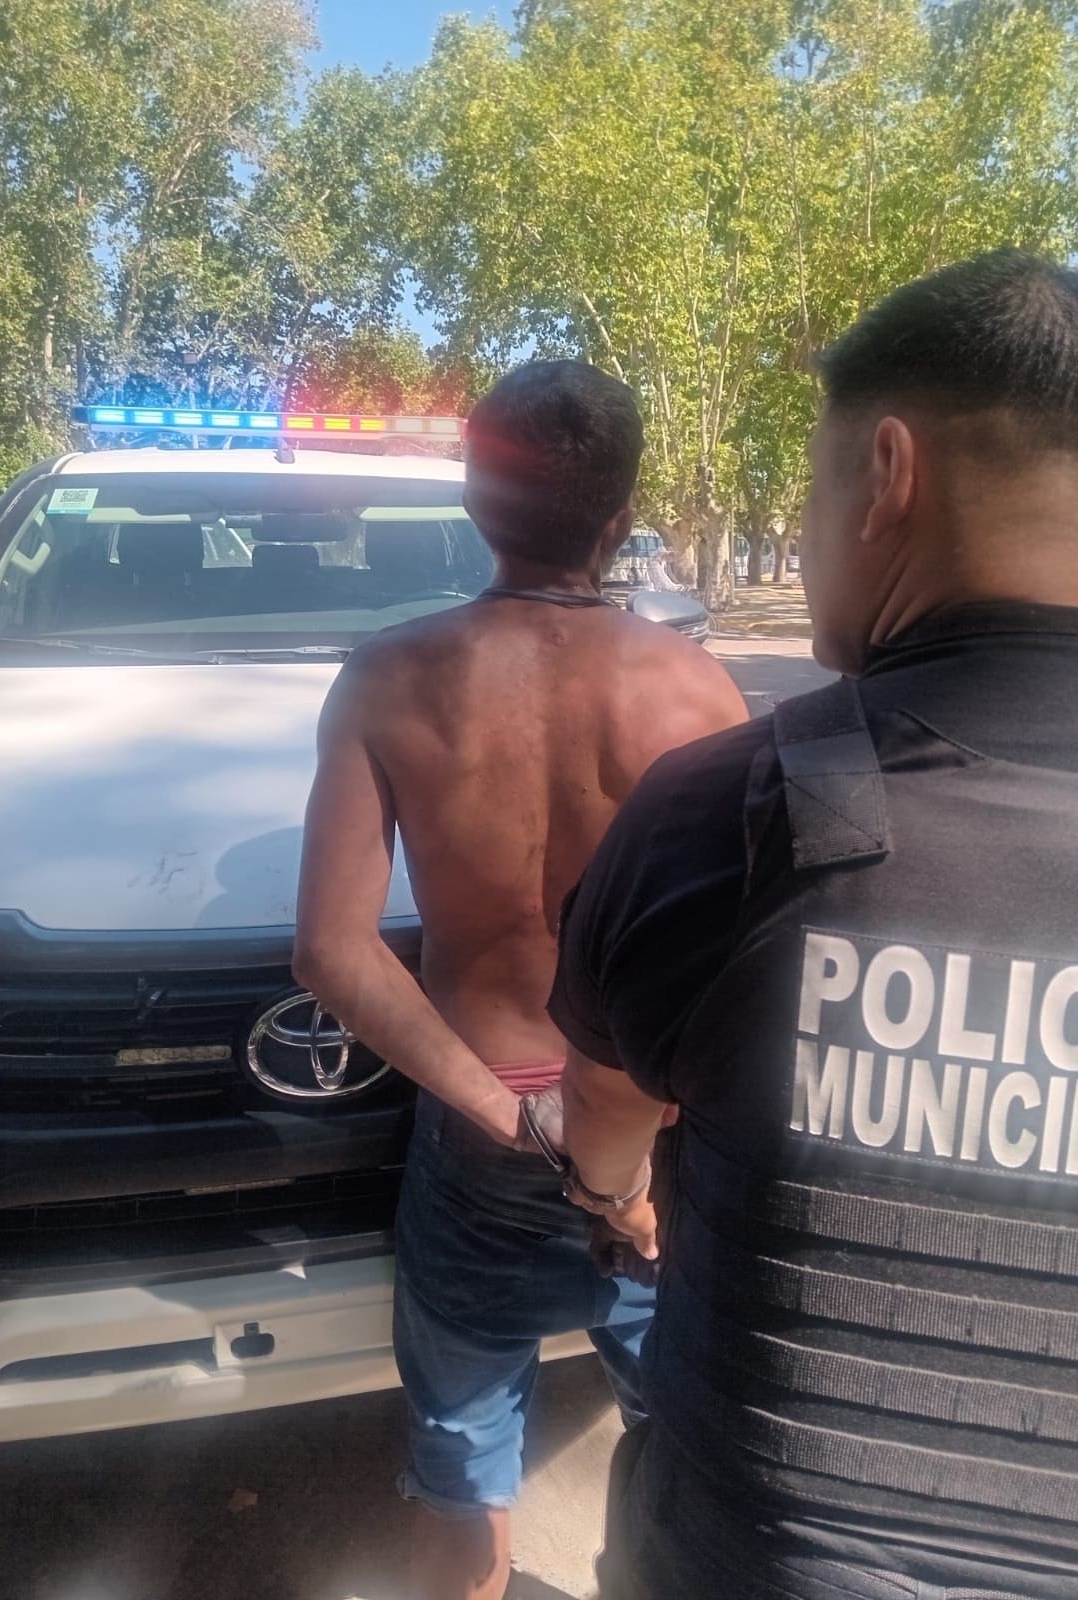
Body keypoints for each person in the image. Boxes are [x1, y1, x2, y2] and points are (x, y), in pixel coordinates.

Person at [549, 250, 1078, 1600]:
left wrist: (614, 1199)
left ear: (887, 473)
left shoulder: (720, 815)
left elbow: (607, 1115)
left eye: (814, 483)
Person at [292, 358, 746, 1600]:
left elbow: (331, 948)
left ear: (476, 502)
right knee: (687, 1454)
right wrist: (628, 1154)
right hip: (652, 1145)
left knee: (461, 1468)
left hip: (485, 1134)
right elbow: (743, 956)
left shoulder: (389, 678)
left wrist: (510, 1113)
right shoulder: (700, 693)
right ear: (622, 515)